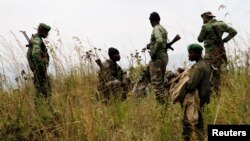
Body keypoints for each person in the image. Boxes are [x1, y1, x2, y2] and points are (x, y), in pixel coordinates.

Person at [198, 11, 237, 93]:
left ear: (206, 17)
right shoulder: (222, 24)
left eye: (203, 18)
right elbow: (234, 32)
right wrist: (224, 40)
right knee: (221, 71)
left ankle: (213, 92)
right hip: (221, 51)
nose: (202, 20)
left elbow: (200, 39)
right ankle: (222, 90)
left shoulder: (205, 26)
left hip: (210, 53)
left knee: (209, 72)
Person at [181, 44, 212, 141]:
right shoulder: (205, 64)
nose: (189, 56)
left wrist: (182, 80)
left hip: (196, 99)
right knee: (199, 123)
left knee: (188, 123)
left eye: (190, 53)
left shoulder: (198, 67)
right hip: (203, 98)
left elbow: (191, 86)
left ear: (197, 54)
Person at [147, 12, 168, 104]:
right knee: (161, 82)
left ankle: (162, 106)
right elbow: (162, 42)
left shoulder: (155, 29)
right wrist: (150, 45)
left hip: (157, 58)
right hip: (164, 56)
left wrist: (154, 52)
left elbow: (159, 41)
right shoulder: (163, 29)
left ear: (151, 21)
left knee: (157, 84)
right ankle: (164, 103)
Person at [28, 23, 52, 104]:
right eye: (46, 32)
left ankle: (43, 108)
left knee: (43, 90)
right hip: (39, 70)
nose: (47, 34)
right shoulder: (37, 39)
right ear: (41, 31)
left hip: (39, 70)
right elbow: (35, 54)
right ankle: (41, 109)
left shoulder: (35, 38)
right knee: (43, 91)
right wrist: (42, 62)